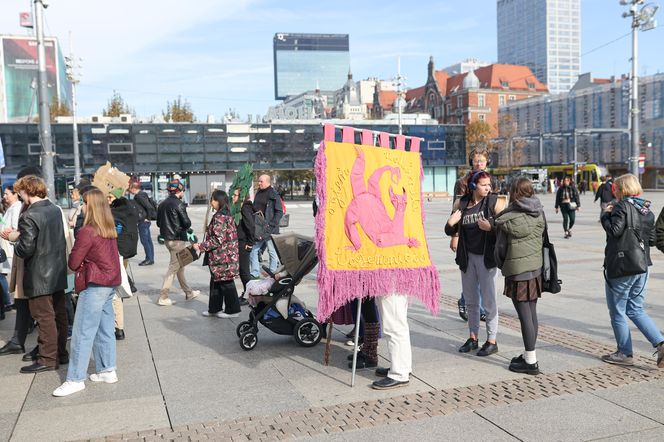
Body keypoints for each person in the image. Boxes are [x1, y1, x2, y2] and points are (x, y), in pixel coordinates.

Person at [52, 188, 122, 397]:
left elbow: (73, 262)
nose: (81, 205)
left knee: (83, 333)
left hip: (95, 285)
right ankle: (107, 370)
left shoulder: (87, 231)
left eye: (83, 202)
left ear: (89, 206)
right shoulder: (108, 228)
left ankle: (75, 378)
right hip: (110, 284)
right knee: (105, 329)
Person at [601, 174, 664, 368]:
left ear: (622, 189)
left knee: (617, 310)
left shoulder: (621, 206)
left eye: (616, 189)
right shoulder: (646, 209)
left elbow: (614, 230)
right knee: (635, 308)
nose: (615, 192)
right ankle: (661, 344)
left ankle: (624, 353)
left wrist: (605, 214)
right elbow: (652, 240)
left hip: (623, 266)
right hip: (642, 266)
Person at [13, 175, 69, 373]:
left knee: (44, 317)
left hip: (39, 275)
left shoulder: (29, 216)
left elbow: (25, 249)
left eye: (20, 191)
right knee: (59, 315)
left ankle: (47, 359)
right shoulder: (54, 209)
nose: (20, 196)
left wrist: (14, 242)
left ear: (27, 190)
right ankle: (61, 353)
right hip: (58, 272)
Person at [445, 171, 500, 357]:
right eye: (484, 185)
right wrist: (450, 223)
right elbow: (450, 228)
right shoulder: (462, 203)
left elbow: (502, 225)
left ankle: (492, 340)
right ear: (473, 186)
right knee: (471, 302)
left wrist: (490, 226)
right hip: (467, 258)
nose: (488, 188)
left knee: (489, 302)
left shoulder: (494, 202)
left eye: (489, 185)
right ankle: (473, 338)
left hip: (486, 258)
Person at [494, 177, 545, 375]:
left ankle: (531, 361)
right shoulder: (539, 212)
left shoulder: (509, 217)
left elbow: (500, 247)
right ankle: (528, 355)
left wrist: (501, 264)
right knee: (531, 313)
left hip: (517, 271)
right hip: (536, 269)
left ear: (514, 192)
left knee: (524, 315)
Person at [452, 147, 494, 322]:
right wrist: (455, 235)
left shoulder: (491, 181)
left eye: (482, 161)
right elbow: (455, 210)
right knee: (470, 270)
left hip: (484, 230)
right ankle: (467, 301)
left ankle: (480, 307)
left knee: (484, 273)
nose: (479, 163)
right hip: (468, 231)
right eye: (476, 160)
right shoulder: (463, 182)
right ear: (472, 162)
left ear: (487, 163)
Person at [193, 190, 241, 318]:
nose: (211, 203)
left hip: (223, 257)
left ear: (217, 201)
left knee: (226, 283)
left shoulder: (220, 217)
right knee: (216, 282)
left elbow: (217, 239)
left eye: (212, 200)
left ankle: (233, 310)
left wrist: (200, 246)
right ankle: (214, 309)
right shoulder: (226, 215)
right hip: (224, 256)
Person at [156, 179, 199, 306]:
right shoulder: (179, 204)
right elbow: (187, 223)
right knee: (173, 268)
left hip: (168, 240)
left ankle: (189, 293)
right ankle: (163, 297)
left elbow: (159, 223)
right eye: (183, 191)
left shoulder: (162, 204)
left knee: (180, 267)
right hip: (178, 240)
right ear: (179, 191)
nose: (183, 193)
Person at [109, 186, 139, 340]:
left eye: (110, 198)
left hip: (117, 252)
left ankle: (118, 327)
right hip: (126, 251)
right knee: (118, 285)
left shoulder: (114, 213)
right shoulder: (129, 209)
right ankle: (118, 327)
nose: (108, 200)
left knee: (115, 291)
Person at [250, 174, 283, 277]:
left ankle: (272, 273)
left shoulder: (274, 194)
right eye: (258, 181)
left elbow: (279, 212)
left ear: (267, 182)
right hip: (259, 228)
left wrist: (271, 224)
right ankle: (255, 273)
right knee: (253, 250)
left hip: (270, 228)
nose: (259, 183)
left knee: (272, 252)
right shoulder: (259, 192)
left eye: (261, 181)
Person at [231, 187, 254, 305]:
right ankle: (247, 293)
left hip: (244, 243)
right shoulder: (239, 208)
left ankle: (249, 296)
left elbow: (250, 226)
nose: (232, 197)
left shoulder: (245, 208)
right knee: (242, 271)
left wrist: (250, 243)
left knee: (244, 271)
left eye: (235, 195)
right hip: (240, 242)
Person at [1, 185, 21, 311]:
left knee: (3, 274)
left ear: (15, 194)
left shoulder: (16, 208)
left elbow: (15, 228)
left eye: (6, 193)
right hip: (6, 246)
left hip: (10, 246)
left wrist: (5, 232)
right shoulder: (11, 208)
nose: (4, 196)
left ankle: (9, 301)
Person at [128, 181, 155, 266]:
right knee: (148, 240)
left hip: (143, 221)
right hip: (144, 221)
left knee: (145, 241)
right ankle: (150, 258)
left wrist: (148, 218)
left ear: (134, 188)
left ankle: (149, 259)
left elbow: (149, 207)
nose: (130, 191)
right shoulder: (142, 194)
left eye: (130, 189)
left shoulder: (139, 196)